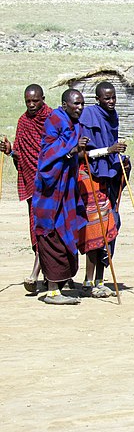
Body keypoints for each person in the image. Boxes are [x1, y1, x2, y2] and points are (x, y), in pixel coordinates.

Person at [32, 89, 87, 305]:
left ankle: (61, 286)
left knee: (67, 231)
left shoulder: (76, 124)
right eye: (76, 104)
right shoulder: (55, 120)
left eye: (82, 104)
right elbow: (47, 154)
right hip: (50, 190)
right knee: (51, 233)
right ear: (64, 104)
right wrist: (73, 149)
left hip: (68, 189)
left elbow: (75, 152)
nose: (80, 107)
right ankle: (53, 291)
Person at [0, 84, 52, 294]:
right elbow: (21, 154)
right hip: (33, 183)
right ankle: (49, 276)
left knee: (48, 227)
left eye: (35, 101)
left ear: (43, 99)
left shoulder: (52, 119)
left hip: (53, 182)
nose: (31, 105)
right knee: (36, 227)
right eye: (27, 101)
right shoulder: (23, 121)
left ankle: (38, 274)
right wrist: (10, 151)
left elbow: (58, 148)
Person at [78, 82, 128, 298]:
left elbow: (111, 146)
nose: (111, 101)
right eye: (106, 98)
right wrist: (109, 150)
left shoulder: (113, 116)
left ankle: (100, 279)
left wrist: (121, 160)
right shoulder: (88, 117)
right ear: (97, 99)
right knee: (94, 230)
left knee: (109, 228)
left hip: (107, 177)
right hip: (89, 178)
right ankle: (89, 281)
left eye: (113, 97)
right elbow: (82, 155)